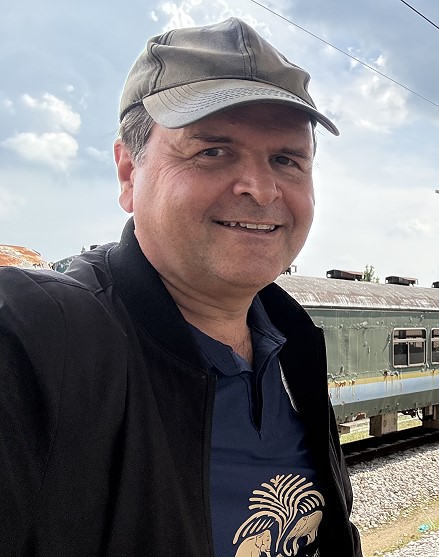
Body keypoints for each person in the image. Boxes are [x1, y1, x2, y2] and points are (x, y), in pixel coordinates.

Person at [0, 18, 361, 557]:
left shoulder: (294, 344)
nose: (262, 190)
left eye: (286, 160)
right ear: (129, 173)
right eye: (212, 150)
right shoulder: (39, 342)